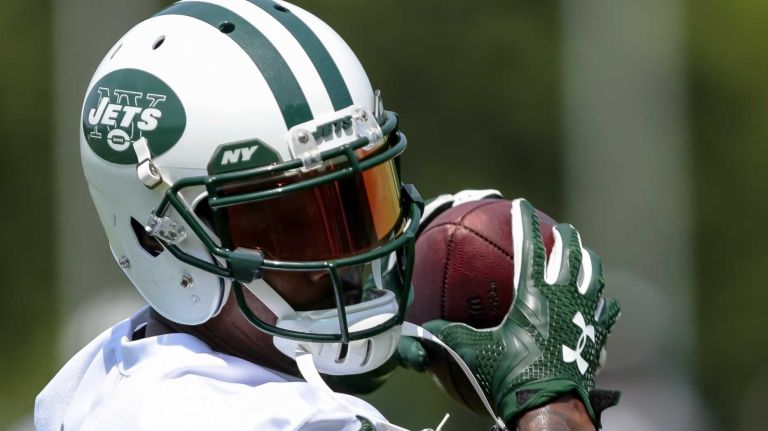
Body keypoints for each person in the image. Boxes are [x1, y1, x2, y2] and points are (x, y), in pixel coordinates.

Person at [34, 1, 619, 429]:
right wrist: (550, 402)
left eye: (355, 206)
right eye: (290, 226)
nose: (341, 263)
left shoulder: (103, 379)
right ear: (157, 239)